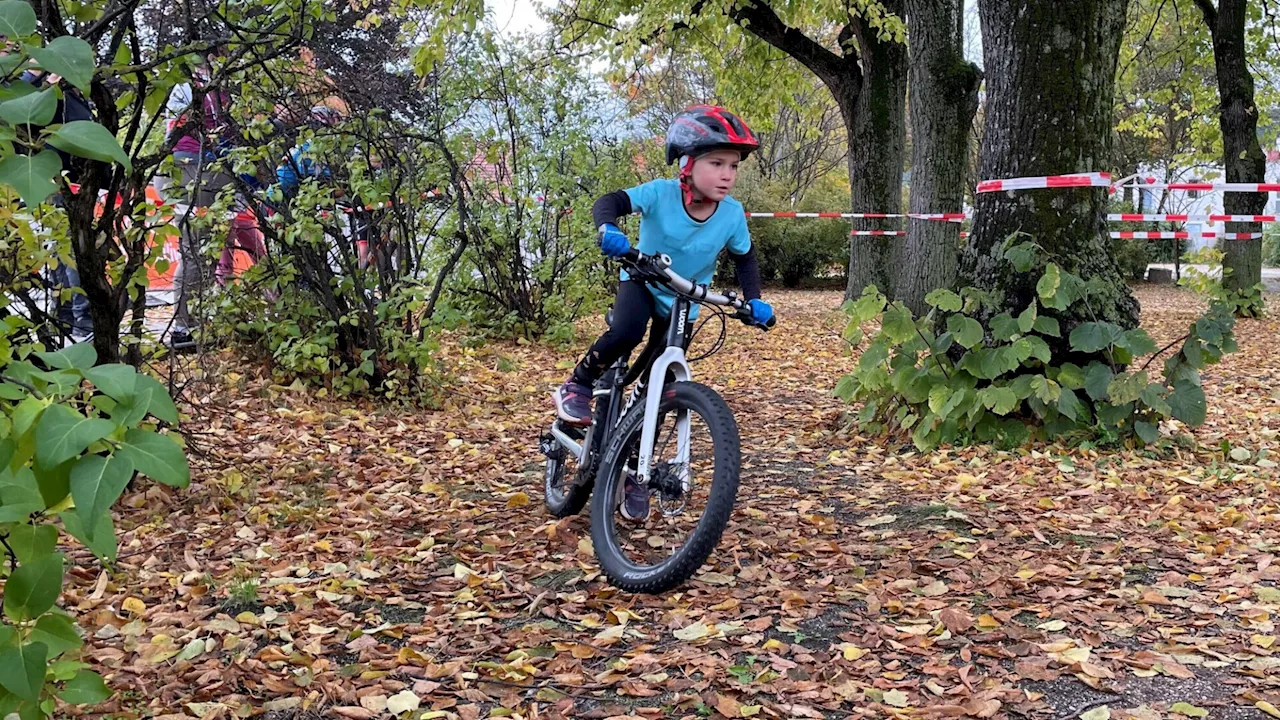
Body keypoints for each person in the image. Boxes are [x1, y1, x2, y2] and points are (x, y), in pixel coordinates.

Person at [550, 105, 775, 522]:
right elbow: (610, 201)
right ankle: (578, 384)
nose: (727, 174)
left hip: (684, 302)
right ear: (687, 165)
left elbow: (745, 258)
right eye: (717, 163)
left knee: (662, 385)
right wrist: (609, 229)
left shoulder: (732, 214)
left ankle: (636, 469)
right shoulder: (659, 193)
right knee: (628, 329)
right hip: (642, 280)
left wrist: (754, 299)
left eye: (733, 166)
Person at [166, 51, 237, 350]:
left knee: (208, 250)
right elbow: (181, 129)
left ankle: (198, 323)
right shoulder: (190, 87)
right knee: (195, 248)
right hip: (190, 166)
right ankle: (183, 328)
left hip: (212, 168)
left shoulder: (222, 90)